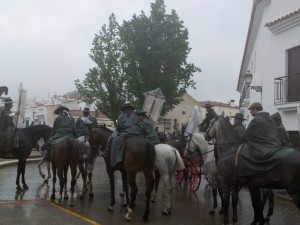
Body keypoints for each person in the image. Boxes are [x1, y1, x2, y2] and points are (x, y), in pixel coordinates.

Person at [236, 102, 294, 178]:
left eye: (251, 110)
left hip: (263, 148)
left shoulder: (255, 120)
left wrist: (239, 140)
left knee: (246, 155)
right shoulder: (269, 118)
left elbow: (247, 135)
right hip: (275, 145)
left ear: (255, 109)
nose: (250, 112)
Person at [100, 102, 141, 166]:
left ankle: (116, 157)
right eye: (126, 109)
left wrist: (128, 127)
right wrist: (123, 127)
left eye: (128, 108)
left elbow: (136, 125)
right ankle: (107, 151)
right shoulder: (121, 117)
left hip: (132, 131)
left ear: (131, 109)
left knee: (116, 139)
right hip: (122, 130)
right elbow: (119, 126)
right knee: (111, 137)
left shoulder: (135, 117)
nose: (127, 110)